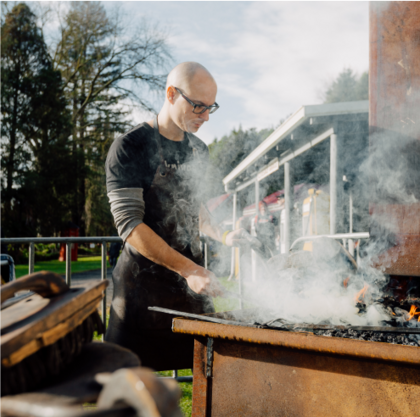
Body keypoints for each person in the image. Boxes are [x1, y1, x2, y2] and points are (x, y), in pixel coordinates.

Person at [105, 62, 260, 370]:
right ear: (171, 94)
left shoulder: (198, 151)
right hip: (140, 292)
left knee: (210, 375)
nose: (204, 117)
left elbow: (196, 210)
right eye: (198, 107)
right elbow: (130, 226)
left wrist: (226, 235)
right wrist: (190, 270)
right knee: (127, 388)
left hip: (189, 291)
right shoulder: (129, 146)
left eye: (210, 108)